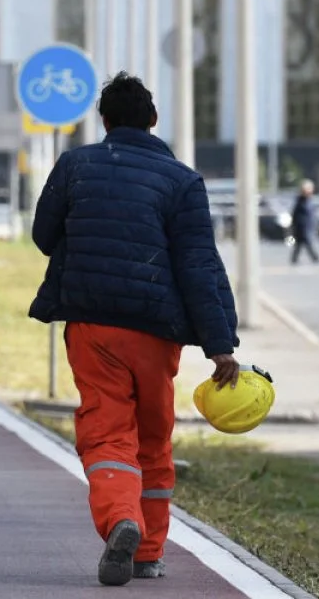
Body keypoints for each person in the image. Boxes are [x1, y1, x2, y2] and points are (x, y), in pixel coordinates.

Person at [28, 72, 240, 587]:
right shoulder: (183, 180)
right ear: (153, 120)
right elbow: (198, 264)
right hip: (155, 329)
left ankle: (120, 517)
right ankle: (147, 550)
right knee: (152, 438)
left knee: (106, 432)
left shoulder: (75, 165)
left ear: (103, 121)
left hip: (92, 325)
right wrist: (221, 345)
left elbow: (42, 235)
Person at [290, 179, 319, 264]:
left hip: (307, 227)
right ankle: (315, 258)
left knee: (300, 245)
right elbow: (295, 215)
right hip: (301, 228)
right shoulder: (300, 202)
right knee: (305, 243)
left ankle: (295, 259)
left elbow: (312, 215)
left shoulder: (309, 201)